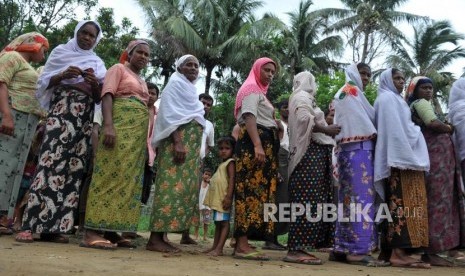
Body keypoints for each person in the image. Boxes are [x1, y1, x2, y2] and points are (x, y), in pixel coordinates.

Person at [16, 21, 106, 243]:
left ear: (96, 39)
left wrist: (94, 83)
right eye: (84, 33)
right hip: (61, 111)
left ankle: (56, 228)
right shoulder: (61, 52)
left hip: (84, 119)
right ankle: (30, 225)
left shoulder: (98, 63)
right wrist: (63, 74)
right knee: (49, 164)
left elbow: (98, 98)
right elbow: (44, 83)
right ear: (77, 33)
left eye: (92, 35)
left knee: (72, 170)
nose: (87, 38)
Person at [81, 39, 151, 249]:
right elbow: (108, 94)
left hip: (135, 138)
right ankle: (91, 232)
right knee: (107, 176)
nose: (143, 57)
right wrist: (109, 125)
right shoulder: (118, 69)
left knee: (126, 180)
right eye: (140, 52)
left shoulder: (142, 80)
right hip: (119, 127)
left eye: (147, 55)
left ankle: (112, 231)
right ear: (129, 53)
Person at [146, 54, 205, 253]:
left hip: (189, 150)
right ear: (179, 68)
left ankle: (162, 237)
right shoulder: (174, 85)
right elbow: (169, 115)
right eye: (188, 64)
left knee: (179, 191)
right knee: (168, 189)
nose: (193, 68)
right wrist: (178, 142)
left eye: (196, 66)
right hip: (177, 146)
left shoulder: (189, 89)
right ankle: (154, 239)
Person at [374, 68, 430, 269]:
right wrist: (415, 131)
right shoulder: (388, 99)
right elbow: (396, 132)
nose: (400, 82)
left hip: (403, 159)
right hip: (400, 160)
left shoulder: (395, 100)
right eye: (396, 78)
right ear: (387, 80)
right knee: (401, 206)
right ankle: (398, 253)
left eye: (403, 79)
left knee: (399, 206)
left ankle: (390, 253)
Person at [282, 71, 340, 265]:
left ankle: (301, 246)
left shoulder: (304, 97)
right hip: (308, 154)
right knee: (305, 200)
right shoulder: (301, 97)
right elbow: (304, 119)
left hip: (314, 153)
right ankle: (295, 249)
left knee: (314, 201)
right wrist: (326, 129)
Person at [406, 76, 464, 266]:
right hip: (437, 162)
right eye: (424, 88)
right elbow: (433, 123)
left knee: (440, 201)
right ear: (415, 91)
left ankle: (436, 249)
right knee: (438, 202)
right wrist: (449, 127)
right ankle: (431, 251)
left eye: (431, 88)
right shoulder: (421, 103)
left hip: (440, 162)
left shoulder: (418, 104)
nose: (429, 91)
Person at [331, 63, 385, 266]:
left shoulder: (350, 94)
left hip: (350, 153)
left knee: (347, 202)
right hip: (358, 151)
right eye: (363, 73)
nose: (366, 78)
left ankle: (342, 247)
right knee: (360, 202)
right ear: (354, 73)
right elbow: (364, 123)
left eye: (369, 75)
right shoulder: (350, 92)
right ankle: (356, 250)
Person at [0, 32, 49, 235]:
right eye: (44, 50)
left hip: (27, 120)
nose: (44, 55)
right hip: (13, 114)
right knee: (3, 163)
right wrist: (6, 115)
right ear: (32, 45)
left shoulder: (29, 66)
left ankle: (4, 216)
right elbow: (1, 83)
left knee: (15, 167)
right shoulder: (11, 57)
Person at [232, 57, 278, 261]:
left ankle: (243, 241)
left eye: (272, 72)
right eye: (266, 70)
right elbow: (249, 116)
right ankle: (241, 245)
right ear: (257, 69)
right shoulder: (251, 88)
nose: (270, 74)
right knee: (247, 192)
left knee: (256, 193)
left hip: (261, 143)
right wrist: (258, 145)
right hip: (253, 145)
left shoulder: (260, 92)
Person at [180, 93, 215, 245]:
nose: (205, 106)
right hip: (181, 161)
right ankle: (164, 234)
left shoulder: (209, 125)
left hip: (196, 165)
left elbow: (210, 145)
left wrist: (201, 157)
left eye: (208, 105)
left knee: (192, 199)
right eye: (203, 103)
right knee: (177, 195)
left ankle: (185, 234)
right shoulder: (186, 117)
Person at [203, 136, 236, 256]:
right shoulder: (222, 164)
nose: (223, 151)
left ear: (233, 150)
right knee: (218, 223)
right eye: (221, 148)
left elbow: (232, 179)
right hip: (218, 200)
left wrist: (228, 197)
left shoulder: (230, 163)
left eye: (227, 148)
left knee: (224, 223)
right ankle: (214, 247)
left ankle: (219, 249)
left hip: (223, 199)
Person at [263, 99, 288, 251]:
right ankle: (269, 239)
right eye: (285, 107)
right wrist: (277, 169)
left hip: (289, 159)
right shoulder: (277, 124)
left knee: (283, 201)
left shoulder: (292, 125)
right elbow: (275, 145)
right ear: (279, 110)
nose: (288, 110)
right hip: (279, 159)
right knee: (275, 200)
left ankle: (275, 237)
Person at [194, 168, 212, 241]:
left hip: (207, 206)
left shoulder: (210, 185)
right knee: (197, 221)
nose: (207, 176)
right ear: (203, 175)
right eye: (206, 174)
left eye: (209, 175)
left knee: (206, 222)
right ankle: (196, 235)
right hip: (199, 204)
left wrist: (210, 208)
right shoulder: (199, 183)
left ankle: (205, 236)